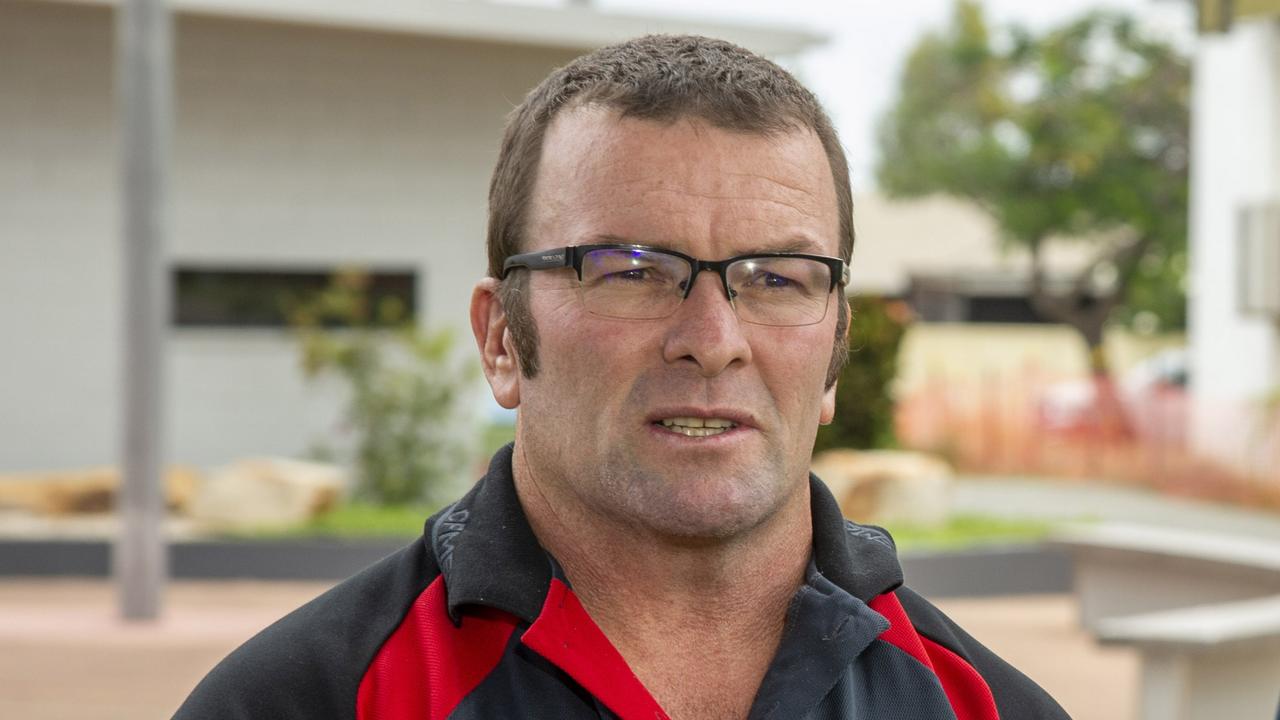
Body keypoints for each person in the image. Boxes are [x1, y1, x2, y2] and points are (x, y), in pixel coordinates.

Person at [175, 35, 1069, 720]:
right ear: (500, 340)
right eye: (631, 270)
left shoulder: (981, 705)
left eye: (777, 278)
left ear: (835, 347)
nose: (713, 340)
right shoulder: (305, 701)